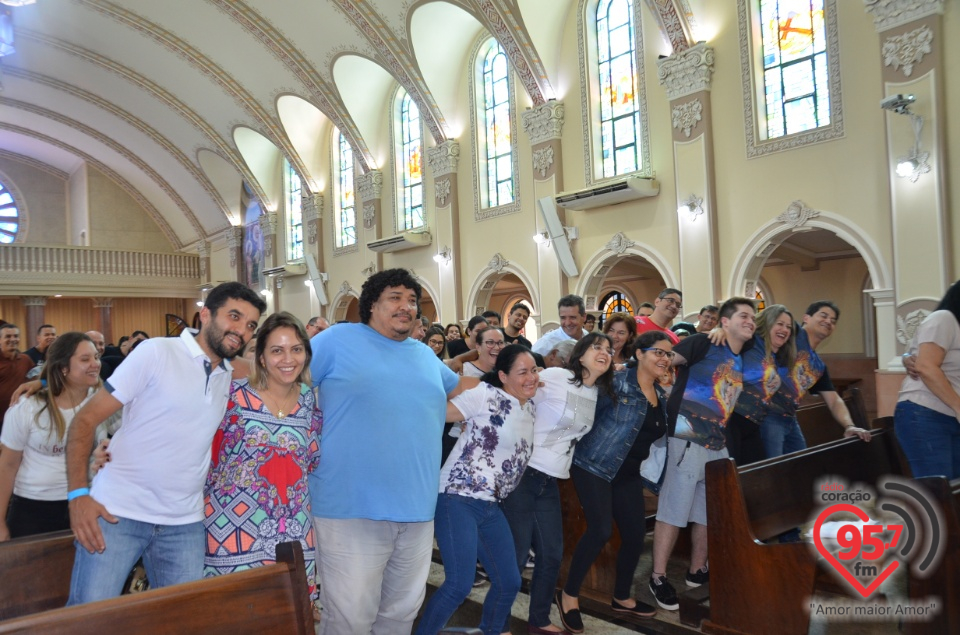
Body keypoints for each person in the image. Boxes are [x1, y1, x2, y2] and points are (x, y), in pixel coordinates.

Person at [62, 282, 265, 605]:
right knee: (88, 620)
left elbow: (283, 372)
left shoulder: (230, 372)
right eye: (234, 317)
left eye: (251, 325)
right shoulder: (157, 352)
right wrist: (77, 496)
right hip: (118, 512)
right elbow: (84, 420)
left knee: (179, 621)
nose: (241, 330)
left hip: (183, 522)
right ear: (205, 314)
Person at [308, 268, 473, 634]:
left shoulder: (422, 355)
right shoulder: (336, 340)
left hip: (416, 509)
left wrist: (515, 378)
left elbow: (456, 389)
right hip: (350, 508)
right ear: (371, 305)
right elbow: (287, 380)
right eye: (395, 298)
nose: (406, 307)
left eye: (412, 300)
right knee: (350, 618)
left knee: (400, 615)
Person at [415, 345, 539, 635]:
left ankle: (492, 631)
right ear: (503, 376)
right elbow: (437, 413)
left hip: (490, 506)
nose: (531, 377)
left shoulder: (529, 408)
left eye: (534, 370)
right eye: (522, 372)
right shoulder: (486, 395)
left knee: (509, 582)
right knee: (458, 585)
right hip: (457, 497)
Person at [556, 331, 671, 632]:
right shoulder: (617, 383)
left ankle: (621, 596)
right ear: (640, 354)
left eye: (669, 354)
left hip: (627, 474)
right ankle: (568, 595)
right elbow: (582, 410)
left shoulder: (662, 396)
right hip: (593, 465)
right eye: (658, 352)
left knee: (635, 534)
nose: (664, 358)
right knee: (601, 529)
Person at [204, 312, 322, 601]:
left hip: (293, 527)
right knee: (233, 617)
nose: (288, 359)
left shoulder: (309, 399)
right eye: (277, 350)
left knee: (286, 618)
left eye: (296, 349)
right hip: (231, 527)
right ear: (261, 357)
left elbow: (312, 460)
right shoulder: (231, 395)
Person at [502, 333, 615, 634]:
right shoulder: (555, 376)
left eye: (609, 349)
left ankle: (539, 618)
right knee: (514, 556)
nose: (605, 352)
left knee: (551, 555)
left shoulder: (597, 394)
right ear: (580, 355)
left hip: (550, 481)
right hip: (524, 475)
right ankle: (496, 624)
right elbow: (517, 396)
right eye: (597, 347)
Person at [648, 297, 756, 611]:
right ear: (725, 322)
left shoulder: (743, 355)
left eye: (753, 317)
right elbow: (663, 360)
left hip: (717, 441)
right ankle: (657, 576)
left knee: (707, 509)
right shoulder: (702, 343)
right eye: (743, 316)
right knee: (674, 507)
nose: (750, 321)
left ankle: (697, 570)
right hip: (687, 435)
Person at [0, 333, 102, 541]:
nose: (95, 364)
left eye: (96, 357)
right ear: (63, 367)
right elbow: (7, 466)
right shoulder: (28, 407)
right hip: (33, 507)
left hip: (85, 502)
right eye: (85, 359)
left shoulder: (102, 404)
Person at [761, 301, 871, 459]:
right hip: (769, 415)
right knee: (770, 468)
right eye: (824, 316)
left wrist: (850, 426)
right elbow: (762, 325)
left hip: (790, 418)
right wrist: (720, 330)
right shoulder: (793, 334)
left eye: (833, 321)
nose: (828, 321)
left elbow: (834, 400)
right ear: (806, 318)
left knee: (801, 465)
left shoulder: (818, 366)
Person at [895, 280, 960, 478]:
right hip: (925, 413)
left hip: (952, 416)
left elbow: (913, 355)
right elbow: (925, 366)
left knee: (953, 491)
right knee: (936, 492)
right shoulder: (944, 319)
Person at [724, 305, 796, 466]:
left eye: (788, 326)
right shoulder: (751, 342)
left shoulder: (776, 356)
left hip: (754, 423)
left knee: (755, 473)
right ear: (767, 323)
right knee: (733, 473)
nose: (784, 329)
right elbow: (728, 336)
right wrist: (719, 331)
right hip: (733, 419)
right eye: (779, 323)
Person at [0, 324, 34, 429]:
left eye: (16, 336)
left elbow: (35, 379)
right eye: (8, 336)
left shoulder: (26, 359)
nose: (13, 339)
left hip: (19, 416)